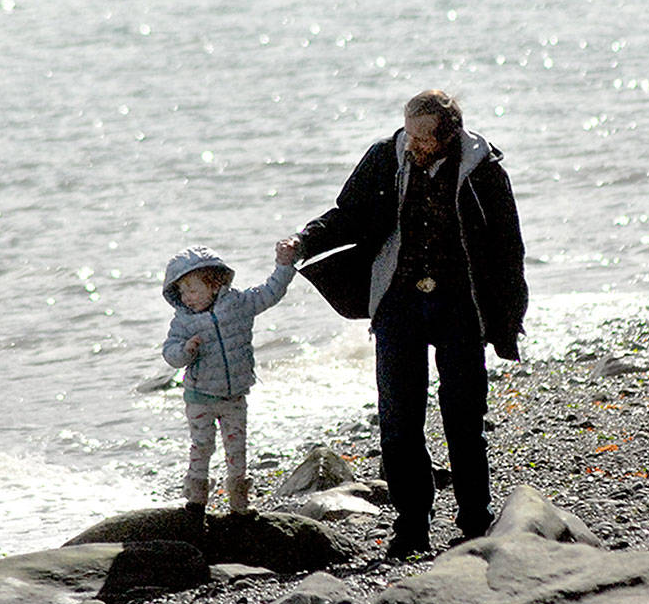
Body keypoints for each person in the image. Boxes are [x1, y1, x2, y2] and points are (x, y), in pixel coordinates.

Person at [288, 90, 528, 558]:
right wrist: (304, 239)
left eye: (422, 137)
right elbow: (349, 215)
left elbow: (508, 250)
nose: (411, 143)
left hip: (461, 303)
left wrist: (509, 317)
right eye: (408, 132)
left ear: (449, 134)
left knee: (464, 417)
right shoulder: (385, 157)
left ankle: (475, 520)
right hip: (397, 301)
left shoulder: (484, 171)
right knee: (398, 420)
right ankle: (411, 525)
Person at [162, 241, 298, 516]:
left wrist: (285, 266)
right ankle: (196, 499)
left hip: (234, 394)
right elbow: (170, 352)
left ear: (214, 284)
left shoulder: (237, 304)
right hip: (200, 397)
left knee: (236, 446)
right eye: (182, 291)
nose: (187, 297)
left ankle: (239, 500)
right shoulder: (183, 321)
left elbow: (270, 292)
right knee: (202, 445)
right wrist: (185, 351)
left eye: (193, 289)